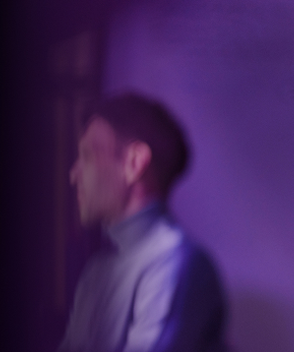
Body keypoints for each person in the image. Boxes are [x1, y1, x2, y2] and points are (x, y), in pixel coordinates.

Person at [59, 93, 227, 352]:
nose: (74, 174)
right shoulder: (97, 270)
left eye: (88, 156)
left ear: (134, 162)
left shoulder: (174, 261)